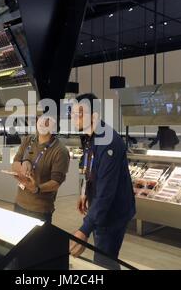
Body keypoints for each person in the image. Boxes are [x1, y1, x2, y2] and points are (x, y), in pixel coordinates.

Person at [69, 93, 136, 270]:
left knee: (104, 260)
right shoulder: (89, 137)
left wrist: (84, 230)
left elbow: (106, 192)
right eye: (73, 113)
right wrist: (84, 192)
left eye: (80, 113)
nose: (74, 117)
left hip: (113, 213)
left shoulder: (109, 143)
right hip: (99, 208)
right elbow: (88, 166)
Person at [11, 116, 70, 223]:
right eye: (41, 120)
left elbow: (56, 182)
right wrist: (23, 164)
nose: (43, 124)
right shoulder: (28, 140)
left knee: (37, 239)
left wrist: (37, 188)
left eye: (47, 122)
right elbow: (15, 163)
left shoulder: (60, 151)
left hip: (39, 210)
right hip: (19, 203)